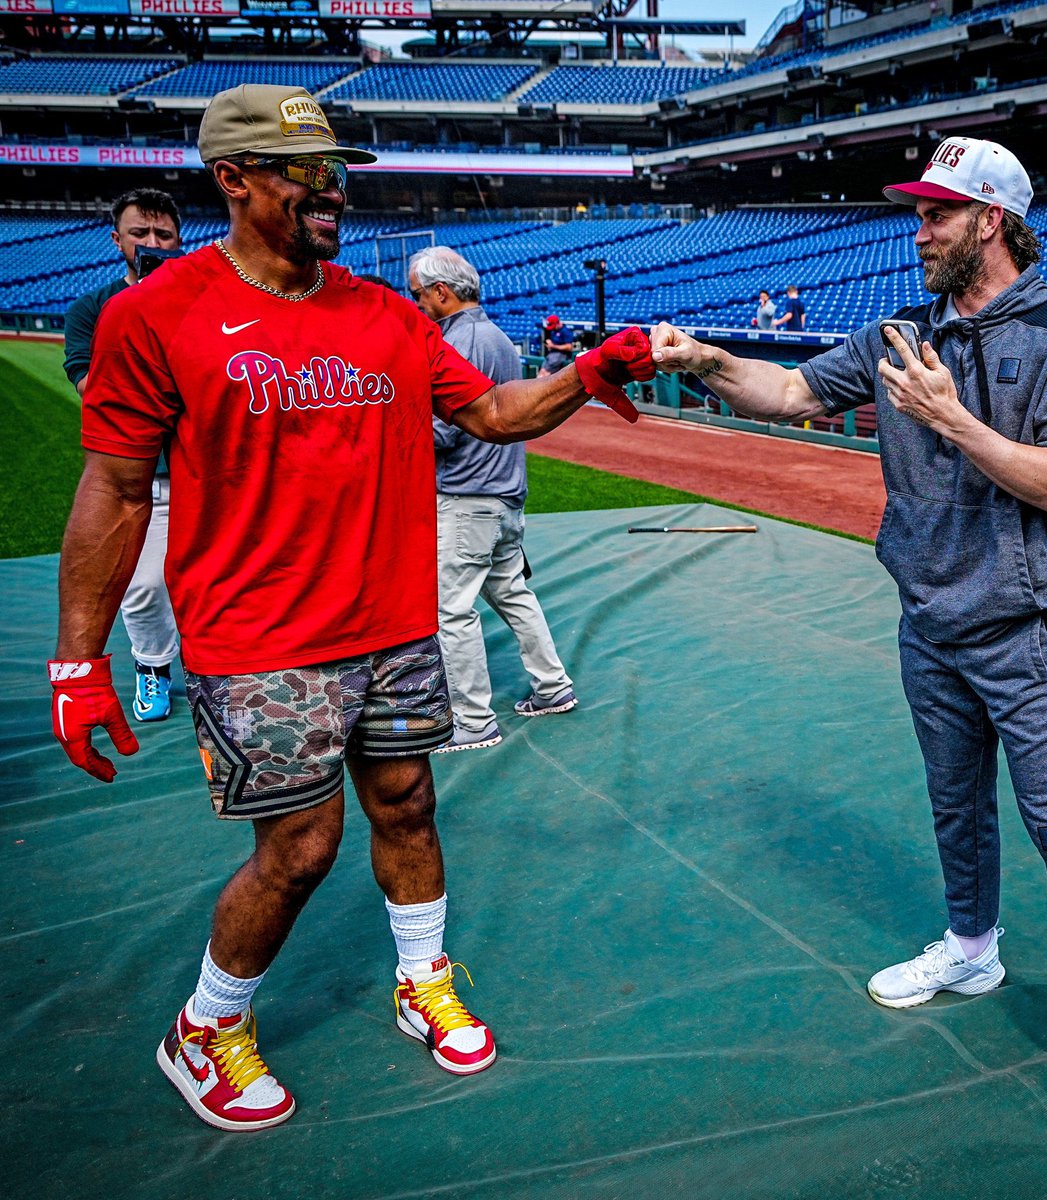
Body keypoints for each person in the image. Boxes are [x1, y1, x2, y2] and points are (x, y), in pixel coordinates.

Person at [47, 83, 654, 1133]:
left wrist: (585, 373)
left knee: (410, 805)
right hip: (259, 638)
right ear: (233, 179)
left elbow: (496, 411)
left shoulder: (383, 314)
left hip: (394, 625)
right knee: (300, 851)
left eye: (337, 170)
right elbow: (108, 489)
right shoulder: (155, 314)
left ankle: (423, 977)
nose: (331, 191)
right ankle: (203, 1028)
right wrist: (78, 662)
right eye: (305, 171)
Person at [650, 137, 1047, 1186]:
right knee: (956, 803)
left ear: (993, 226)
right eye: (916, 214)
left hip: (1026, 631)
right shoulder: (900, 331)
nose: (916, 232)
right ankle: (973, 947)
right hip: (929, 621)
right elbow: (786, 394)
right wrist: (705, 362)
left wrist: (949, 417)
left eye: (936, 215)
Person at [407, 245, 577, 752]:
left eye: (419, 294)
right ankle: (552, 687)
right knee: (511, 594)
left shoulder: (462, 340)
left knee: (451, 609)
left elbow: (445, 432)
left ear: (442, 292)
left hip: (468, 494)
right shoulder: (497, 335)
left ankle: (473, 720)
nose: (415, 303)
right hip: (503, 494)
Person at [63, 188, 183, 721]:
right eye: (140, 234)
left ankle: (218, 670)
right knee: (143, 587)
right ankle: (152, 666)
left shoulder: (199, 304)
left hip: (209, 471)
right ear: (118, 240)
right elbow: (94, 390)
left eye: (163, 235)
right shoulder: (94, 308)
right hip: (142, 475)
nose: (151, 243)